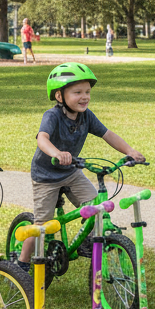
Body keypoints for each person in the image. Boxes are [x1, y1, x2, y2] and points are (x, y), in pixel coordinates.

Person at [18, 63, 146, 268]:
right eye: (77, 92)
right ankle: (21, 264)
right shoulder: (52, 116)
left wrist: (129, 151)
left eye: (87, 91)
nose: (84, 96)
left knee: (97, 207)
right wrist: (57, 153)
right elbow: (42, 139)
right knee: (41, 226)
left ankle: (86, 242)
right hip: (46, 176)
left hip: (70, 173)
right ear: (60, 96)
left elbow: (107, 134)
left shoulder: (87, 116)